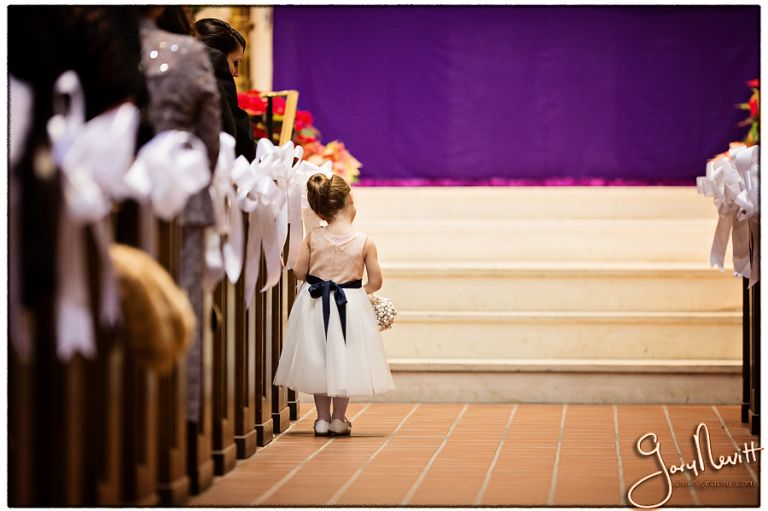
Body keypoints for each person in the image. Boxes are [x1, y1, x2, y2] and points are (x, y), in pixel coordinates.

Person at [273, 173, 396, 437]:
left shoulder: (313, 237)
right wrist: (356, 293)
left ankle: (321, 419)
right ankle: (339, 419)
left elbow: (299, 272)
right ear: (350, 200)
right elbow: (376, 282)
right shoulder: (365, 242)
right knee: (345, 358)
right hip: (348, 306)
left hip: (314, 304)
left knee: (319, 357)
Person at [194, 18, 255, 160]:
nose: (236, 73)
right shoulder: (216, 74)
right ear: (217, 55)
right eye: (235, 63)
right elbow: (239, 139)